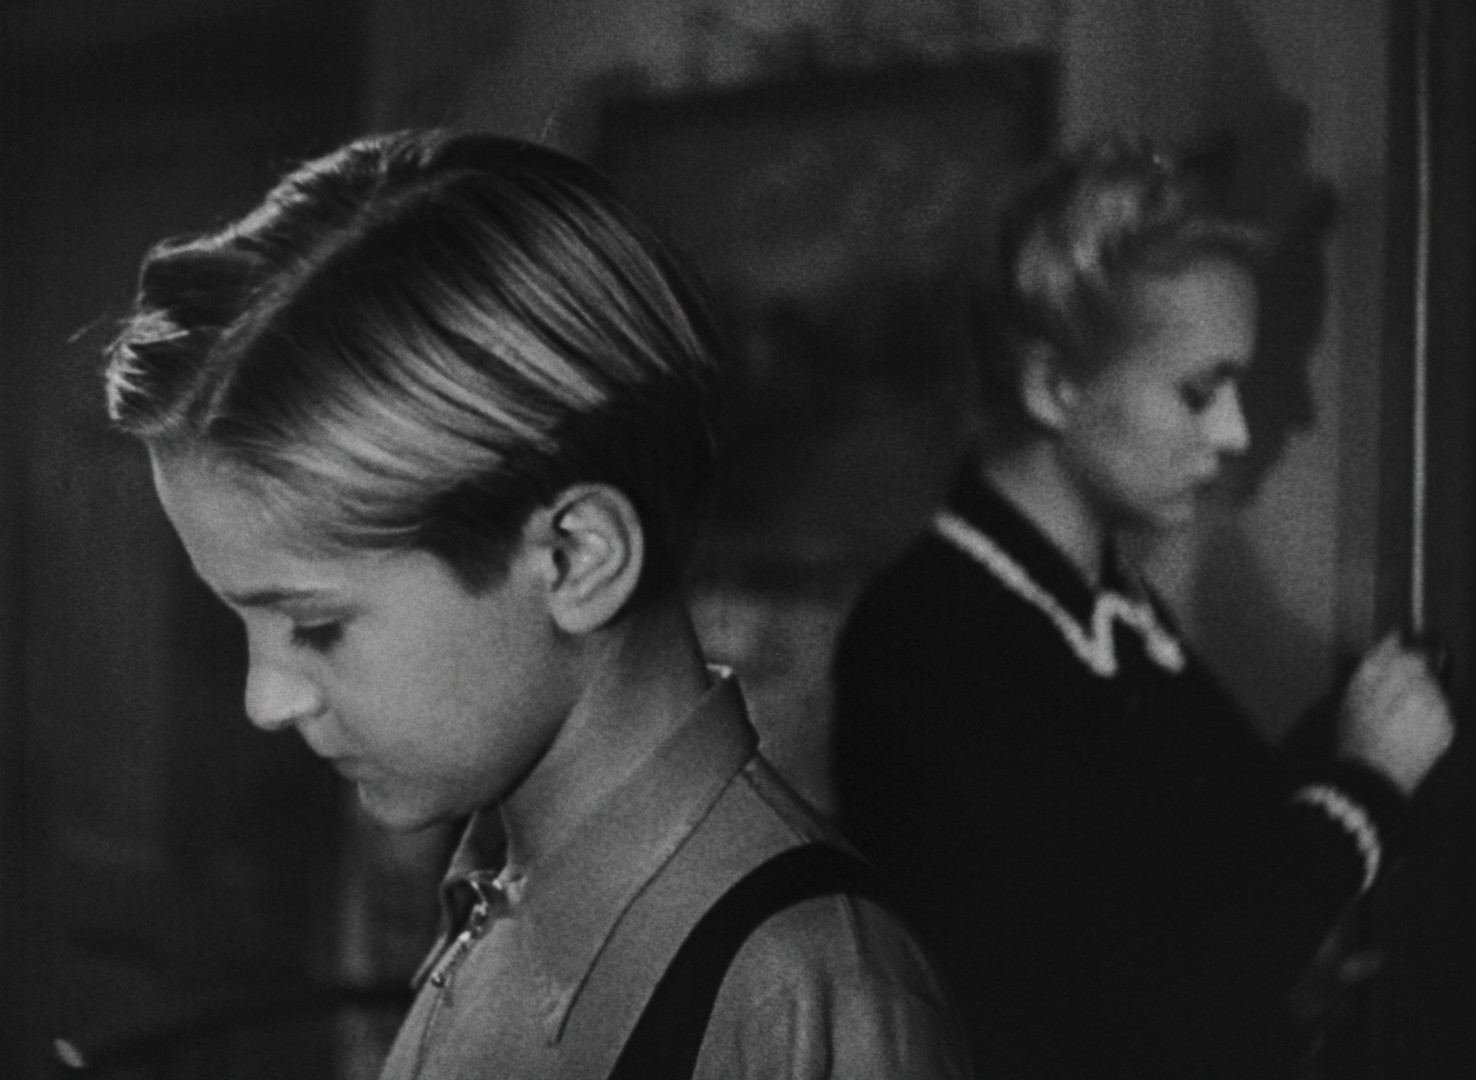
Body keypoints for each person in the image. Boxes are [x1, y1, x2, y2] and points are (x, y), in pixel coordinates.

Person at [104, 130, 972, 1080]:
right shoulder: (494, 892)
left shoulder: (796, 992)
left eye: (316, 624)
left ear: (574, 559)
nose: (265, 699)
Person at [830, 139, 1457, 1079]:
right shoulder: (931, 637)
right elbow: (1152, 998)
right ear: (1053, 386)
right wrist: (1370, 784)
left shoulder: (1098, 607)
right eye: (1199, 391)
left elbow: (1218, 864)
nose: (1235, 432)